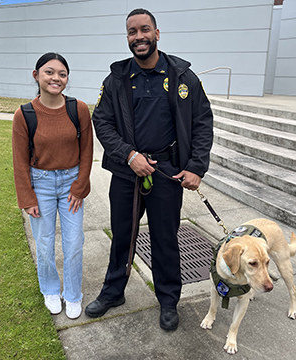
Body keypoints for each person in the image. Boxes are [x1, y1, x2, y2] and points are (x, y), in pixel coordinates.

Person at [85, 9, 213, 331]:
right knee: (123, 237)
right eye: (132, 32)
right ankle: (113, 292)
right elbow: (102, 121)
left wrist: (196, 167)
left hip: (168, 171)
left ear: (157, 33)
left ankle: (168, 300)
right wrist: (128, 155)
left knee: (165, 238)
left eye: (144, 30)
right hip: (129, 171)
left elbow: (202, 123)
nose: (138, 37)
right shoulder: (116, 79)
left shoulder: (184, 77)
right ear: (127, 38)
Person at [12, 52, 93, 319]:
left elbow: (87, 150)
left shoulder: (78, 109)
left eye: (62, 74)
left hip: (71, 184)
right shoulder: (24, 115)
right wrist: (27, 197)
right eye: (49, 72)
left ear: (67, 79)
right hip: (41, 184)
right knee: (44, 243)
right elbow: (20, 160)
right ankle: (50, 289)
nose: (55, 78)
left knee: (74, 243)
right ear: (36, 75)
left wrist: (80, 185)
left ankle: (72, 294)